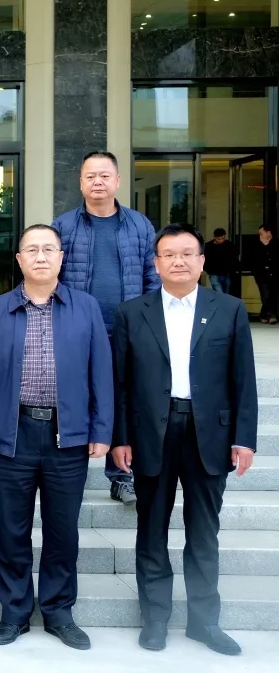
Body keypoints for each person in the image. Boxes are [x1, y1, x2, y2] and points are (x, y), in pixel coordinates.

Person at [112, 223, 257, 656]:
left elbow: (243, 380)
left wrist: (244, 438)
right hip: (151, 433)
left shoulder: (229, 309)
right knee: (151, 529)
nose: (178, 261)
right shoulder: (132, 312)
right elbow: (121, 383)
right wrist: (120, 438)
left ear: (201, 261)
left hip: (209, 434)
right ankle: (155, 619)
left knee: (204, 532)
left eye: (187, 253)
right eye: (169, 255)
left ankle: (204, 622)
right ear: (156, 264)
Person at [0, 224, 113, 650]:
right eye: (31, 249)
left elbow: (101, 373)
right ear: (18, 259)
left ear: (61, 257)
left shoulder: (85, 307)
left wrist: (101, 429)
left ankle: (58, 611)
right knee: (12, 530)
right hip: (13, 433)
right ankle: (14, 612)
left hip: (66, 435)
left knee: (62, 530)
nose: (40, 256)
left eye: (48, 249)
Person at [51, 150, 161, 507]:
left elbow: (152, 276)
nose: (97, 182)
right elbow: (51, 276)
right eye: (90, 176)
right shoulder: (63, 226)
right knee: (77, 399)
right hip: (79, 331)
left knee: (125, 401)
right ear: (80, 182)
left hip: (128, 330)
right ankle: (71, 476)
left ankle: (122, 476)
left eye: (104, 175)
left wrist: (149, 322)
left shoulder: (140, 225)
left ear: (117, 180)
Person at [251, 224, 276, 323]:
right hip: (261, 274)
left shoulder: (275, 243)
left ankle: (263, 314)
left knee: (272, 295)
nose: (260, 235)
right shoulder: (256, 244)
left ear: (268, 233)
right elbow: (253, 259)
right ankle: (271, 315)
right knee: (265, 294)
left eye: (261, 233)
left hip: (274, 273)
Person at [202, 228, 237, 295]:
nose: (221, 241)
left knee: (226, 293)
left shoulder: (229, 245)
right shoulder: (208, 246)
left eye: (223, 238)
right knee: (219, 292)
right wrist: (204, 268)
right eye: (219, 239)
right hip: (214, 273)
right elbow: (205, 259)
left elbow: (233, 258)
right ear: (214, 237)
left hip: (226, 273)